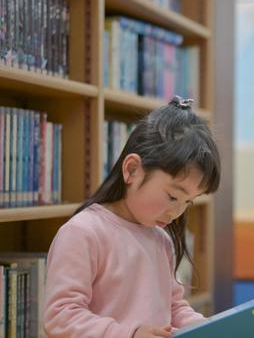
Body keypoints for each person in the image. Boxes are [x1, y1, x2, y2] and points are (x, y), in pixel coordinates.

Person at [43, 96, 221, 338]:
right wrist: (130, 334)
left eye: (188, 202)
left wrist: (207, 328)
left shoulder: (161, 239)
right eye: (172, 196)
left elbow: (174, 307)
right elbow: (61, 316)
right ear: (132, 170)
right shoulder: (83, 232)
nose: (177, 211)